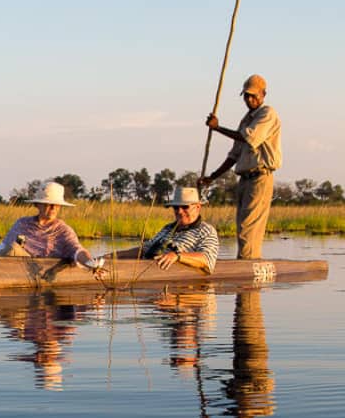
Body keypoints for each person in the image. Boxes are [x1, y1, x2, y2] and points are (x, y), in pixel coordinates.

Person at [200, 74, 282, 259]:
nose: (250, 99)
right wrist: (212, 177)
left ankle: (248, 266)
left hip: (260, 177)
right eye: (246, 96)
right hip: (245, 179)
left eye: (253, 95)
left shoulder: (267, 113)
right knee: (242, 227)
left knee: (248, 228)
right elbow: (234, 155)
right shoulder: (246, 120)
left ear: (263, 94)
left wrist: (218, 128)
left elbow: (248, 138)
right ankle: (245, 261)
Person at [0, 181, 102, 270]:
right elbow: (1, 249)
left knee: (13, 249)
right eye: (48, 204)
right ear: (37, 204)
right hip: (0, 265)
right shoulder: (22, 223)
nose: (53, 208)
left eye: (56, 205)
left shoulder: (63, 230)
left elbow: (77, 251)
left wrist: (90, 263)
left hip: (31, 268)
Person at [111, 186, 219, 273]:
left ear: (198, 207)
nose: (179, 211)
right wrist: (112, 256)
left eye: (185, 207)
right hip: (145, 268)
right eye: (176, 208)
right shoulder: (168, 228)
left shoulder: (206, 231)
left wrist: (177, 256)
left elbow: (207, 260)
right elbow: (144, 250)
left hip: (168, 275)